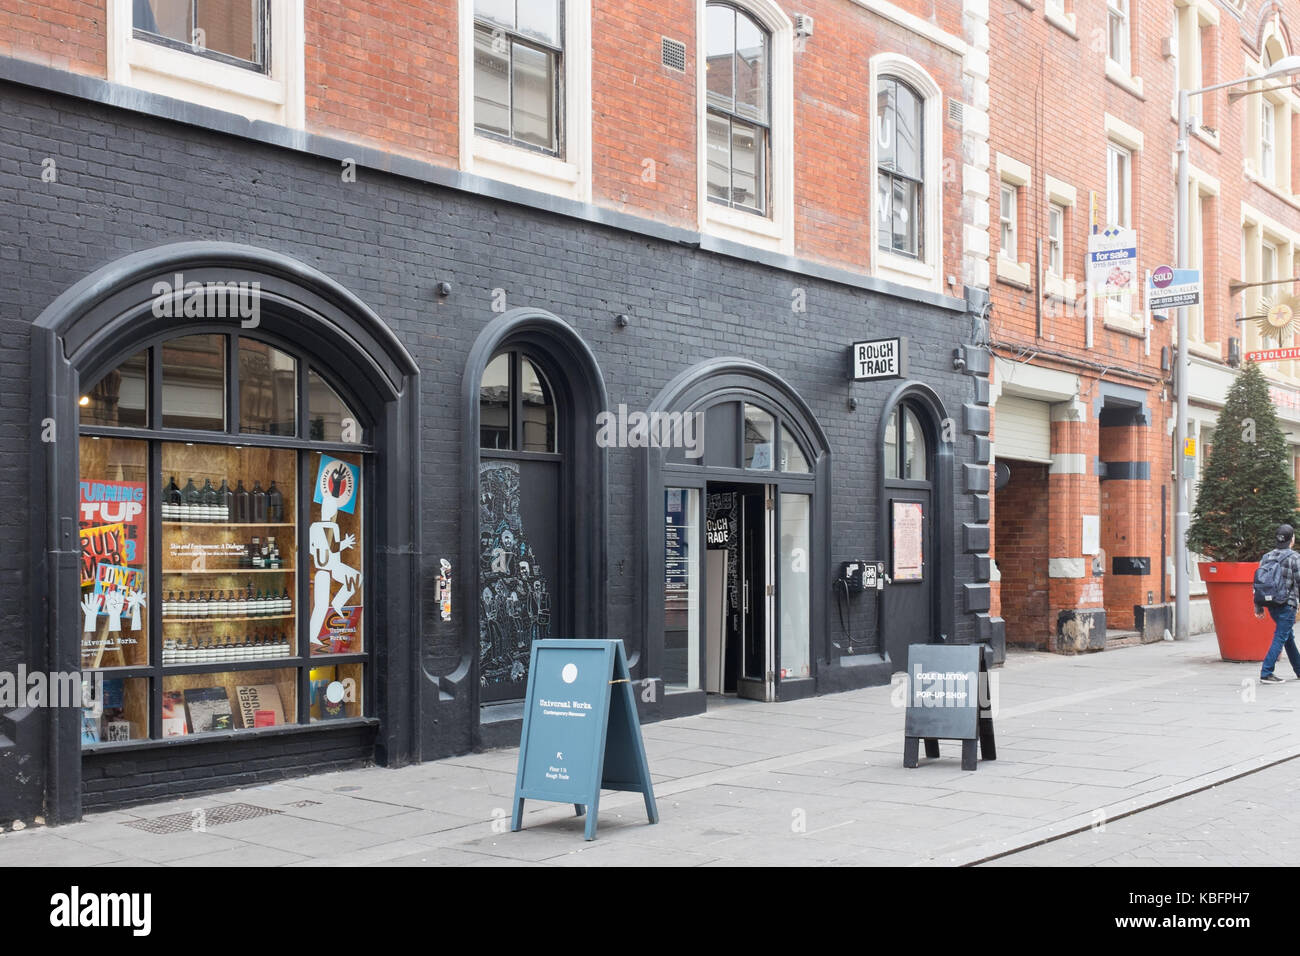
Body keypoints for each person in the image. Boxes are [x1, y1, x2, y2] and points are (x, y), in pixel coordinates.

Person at [1254, 523, 1300, 683]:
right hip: (1288, 604)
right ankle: (1266, 672)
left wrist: (1259, 606)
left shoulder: (1266, 557)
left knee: (1288, 637)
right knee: (1281, 637)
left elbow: (1259, 584)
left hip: (1272, 604)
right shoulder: (1295, 557)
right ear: (1291, 539)